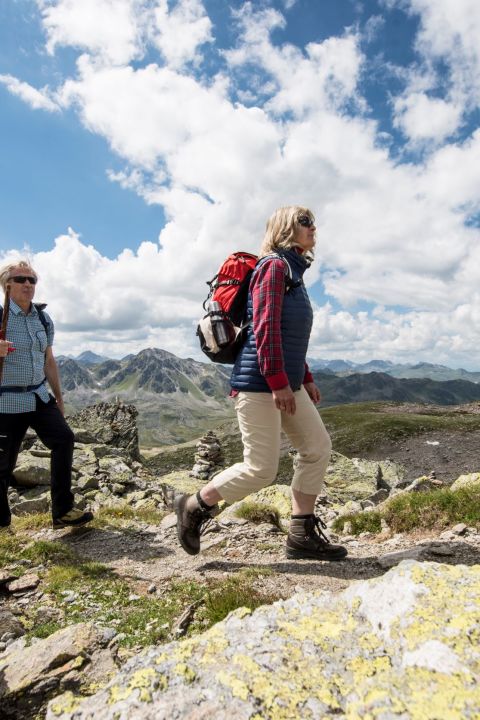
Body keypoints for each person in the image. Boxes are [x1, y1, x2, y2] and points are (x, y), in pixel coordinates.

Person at [175, 206, 347, 560]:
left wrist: (306, 377)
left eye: (313, 221)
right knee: (261, 469)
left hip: (285, 380)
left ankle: (301, 535)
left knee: (317, 448)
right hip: (259, 383)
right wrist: (279, 382)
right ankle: (193, 505)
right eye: (305, 222)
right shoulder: (273, 267)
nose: (314, 227)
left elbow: (289, 334)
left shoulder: (293, 274)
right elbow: (265, 328)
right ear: (285, 229)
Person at [0, 260, 93, 529]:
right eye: (21, 279)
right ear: (7, 285)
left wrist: (59, 398)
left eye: (32, 280)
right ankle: (3, 524)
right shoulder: (0, 316)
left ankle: (63, 511)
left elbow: (48, 360)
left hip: (39, 397)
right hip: (6, 402)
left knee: (64, 439)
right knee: (3, 465)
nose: (28, 284)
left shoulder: (42, 318)